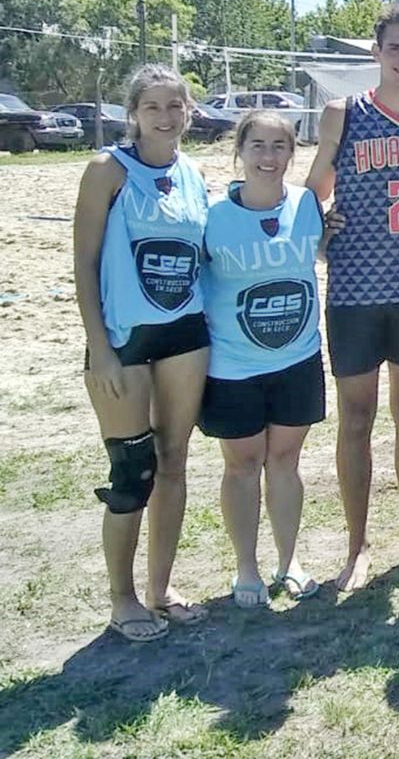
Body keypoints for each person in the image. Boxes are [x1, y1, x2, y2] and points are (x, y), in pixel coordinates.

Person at [304, 3, 399, 590]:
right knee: (357, 417)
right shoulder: (344, 114)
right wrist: (318, 233)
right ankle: (357, 544)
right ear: (376, 53)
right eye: (396, 48)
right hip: (356, 290)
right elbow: (315, 187)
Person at [73, 64, 211, 641]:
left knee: (174, 460)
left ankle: (161, 587)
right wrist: (99, 348)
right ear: (134, 113)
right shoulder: (108, 170)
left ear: (188, 112)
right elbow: (83, 262)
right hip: (124, 341)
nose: (165, 117)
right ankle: (122, 598)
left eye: (175, 106)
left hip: (184, 334)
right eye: (153, 106)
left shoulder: (193, 173)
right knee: (133, 470)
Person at [200, 111, 328, 607]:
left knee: (285, 460)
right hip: (233, 365)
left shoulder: (305, 205)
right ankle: (246, 568)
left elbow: (324, 250)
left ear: (292, 153)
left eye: (279, 146)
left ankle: (288, 560)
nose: (269, 156)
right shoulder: (213, 216)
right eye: (258, 145)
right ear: (240, 150)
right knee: (241, 465)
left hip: (297, 357)